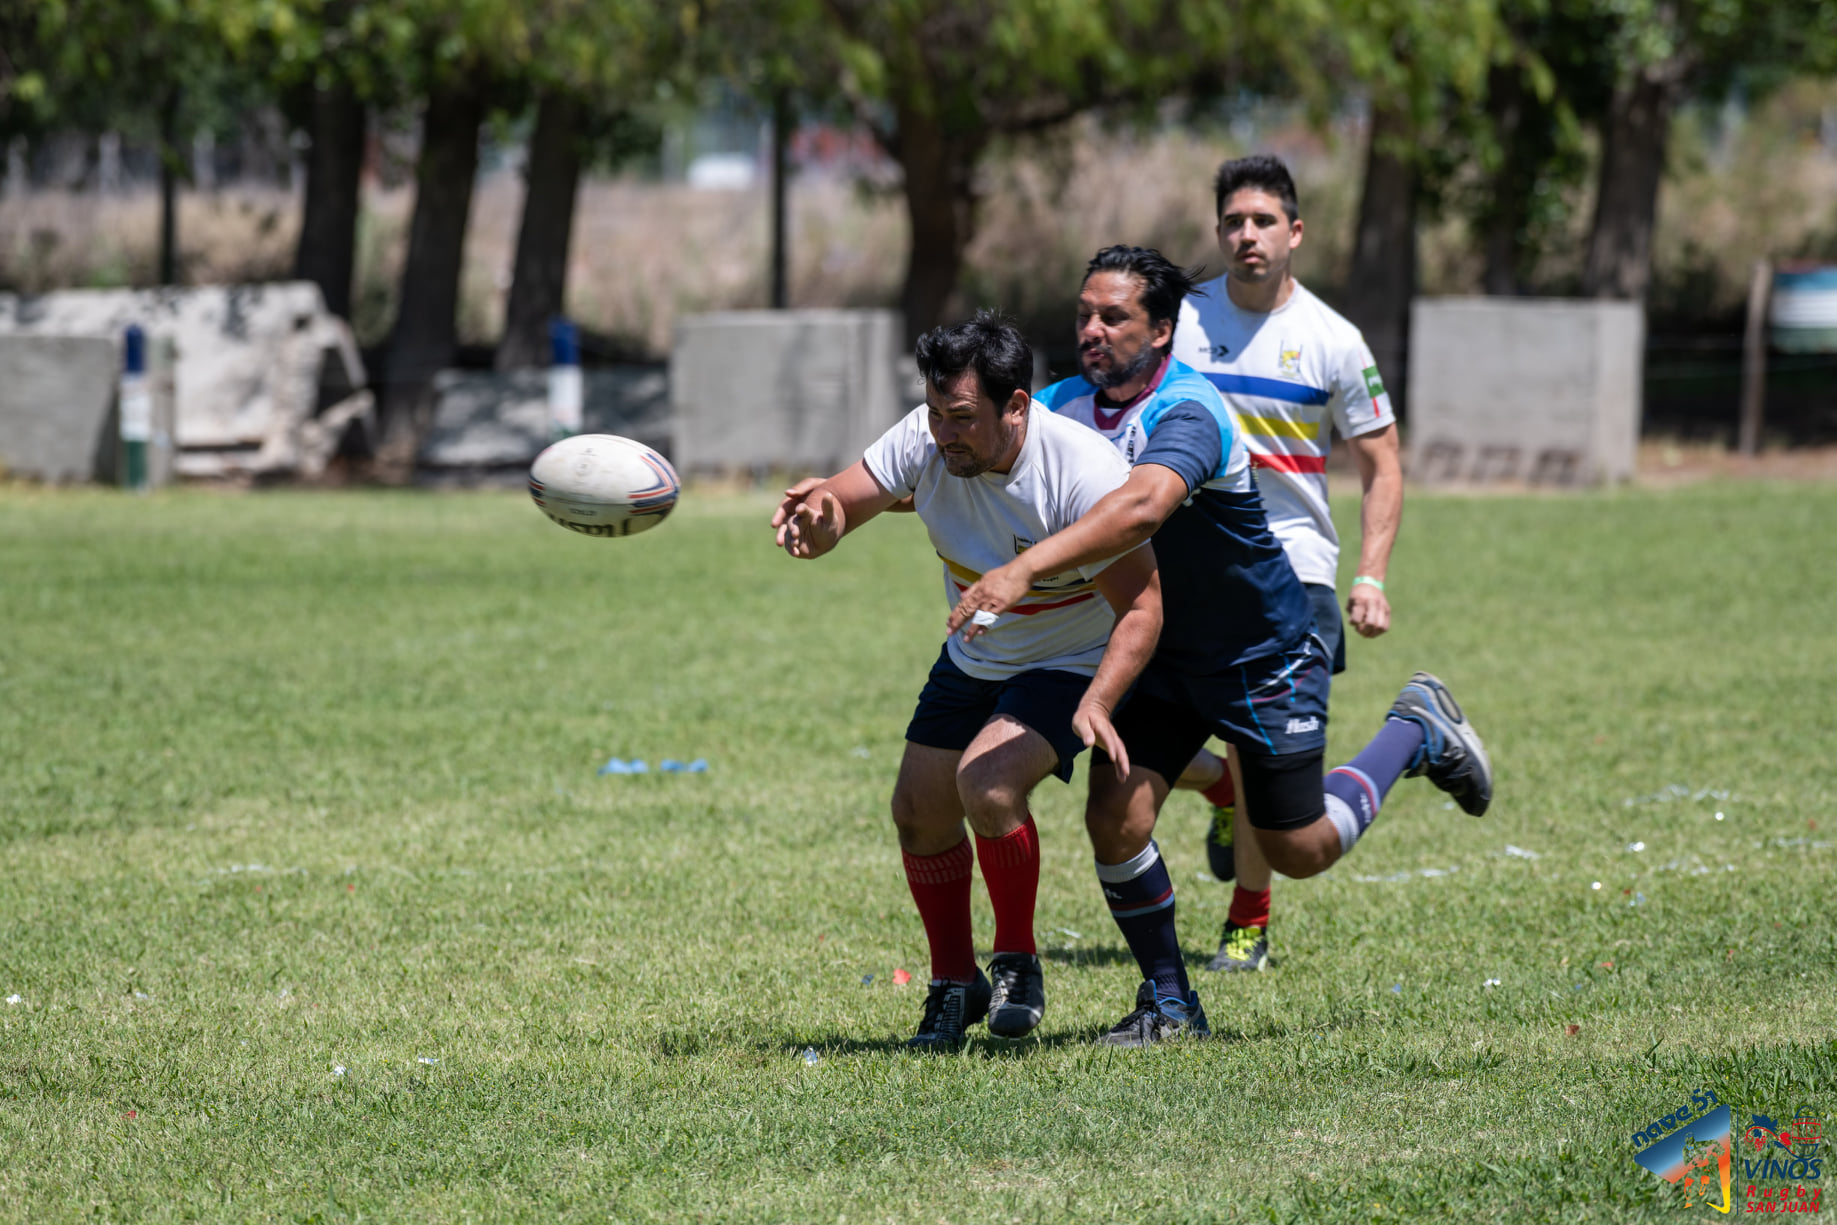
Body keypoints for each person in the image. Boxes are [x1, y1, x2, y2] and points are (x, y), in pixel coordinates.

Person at [949, 247, 1491, 1047]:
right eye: (1082, 315)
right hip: (1159, 654)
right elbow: (980, 452)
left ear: (1163, 329)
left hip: (1261, 649)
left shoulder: (1190, 410)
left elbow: (1140, 509)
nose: (1090, 331)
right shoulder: (1059, 402)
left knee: (1297, 847)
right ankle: (1171, 1003)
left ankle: (1415, 730)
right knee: (1116, 814)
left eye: (1113, 317)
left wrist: (1020, 569)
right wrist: (856, 495)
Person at [772, 311, 1163, 1051]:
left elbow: (1143, 605)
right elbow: (844, 503)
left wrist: (1099, 699)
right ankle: (955, 983)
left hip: (1066, 658)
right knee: (917, 810)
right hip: (975, 649)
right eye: (933, 414)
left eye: (961, 418)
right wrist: (819, 520)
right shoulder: (924, 439)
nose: (942, 434)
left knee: (987, 783)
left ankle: (1016, 958)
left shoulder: (1080, 473)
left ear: (1016, 405)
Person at [1167, 154, 1406, 974]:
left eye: (1263, 220)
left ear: (1294, 232)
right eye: (1233, 221)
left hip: (1289, 570)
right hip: (1178, 560)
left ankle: (1248, 918)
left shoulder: (1333, 341)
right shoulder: (1180, 321)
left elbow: (1382, 464)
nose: (1247, 235)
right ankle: (1219, 788)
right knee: (1116, 724)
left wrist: (1368, 575)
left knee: (1258, 751)